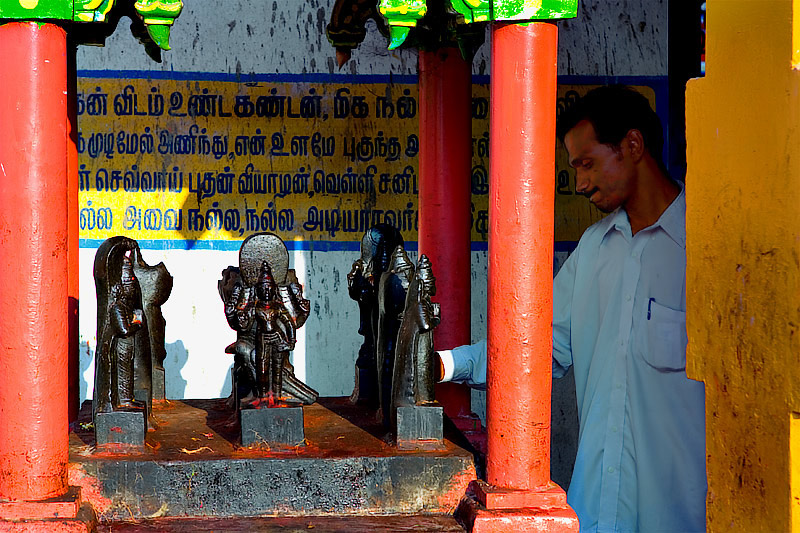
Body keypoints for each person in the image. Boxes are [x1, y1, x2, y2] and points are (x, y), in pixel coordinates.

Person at [438, 85, 706, 532]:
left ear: (633, 146)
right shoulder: (593, 251)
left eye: (587, 163)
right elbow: (532, 351)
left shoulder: (704, 251)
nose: (580, 183)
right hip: (597, 512)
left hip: (681, 515)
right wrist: (443, 365)